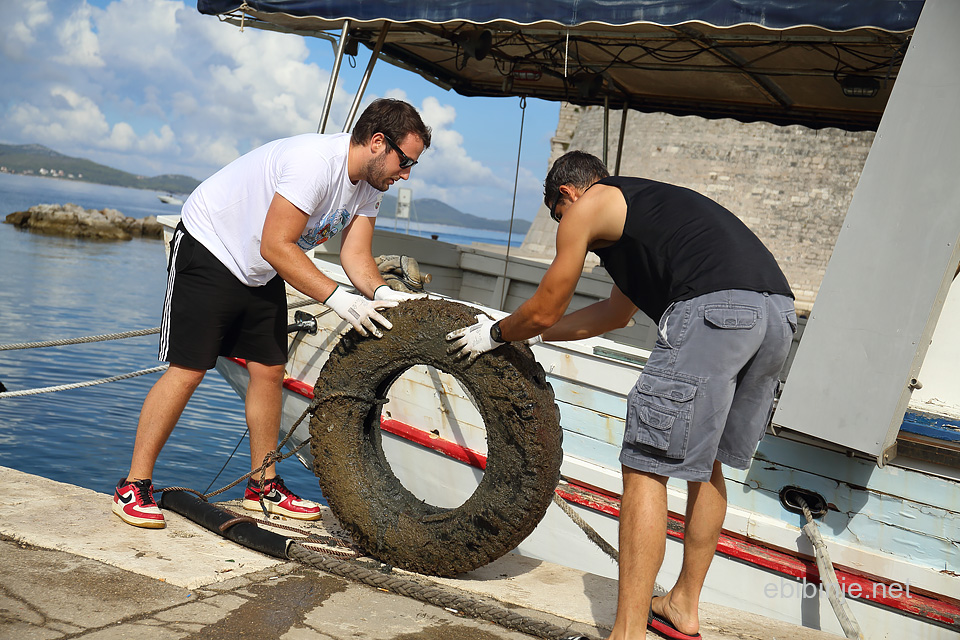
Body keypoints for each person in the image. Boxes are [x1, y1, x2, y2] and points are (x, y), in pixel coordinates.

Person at [447, 151, 796, 640]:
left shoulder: (588, 205)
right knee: (707, 462)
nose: (564, 228)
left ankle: (626, 633)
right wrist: (532, 336)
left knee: (645, 465)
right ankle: (681, 606)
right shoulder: (646, 217)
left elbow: (547, 306)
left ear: (567, 195)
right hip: (776, 316)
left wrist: (499, 333)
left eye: (557, 217)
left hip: (714, 311)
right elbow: (612, 314)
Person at [113, 98, 432, 529]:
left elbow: (356, 254)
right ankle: (133, 486)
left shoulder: (369, 187)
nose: (407, 174)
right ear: (378, 143)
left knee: (268, 369)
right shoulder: (315, 163)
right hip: (211, 246)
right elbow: (276, 245)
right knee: (189, 368)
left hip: (260, 267)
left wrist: (378, 292)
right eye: (406, 160)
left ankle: (262, 486)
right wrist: (339, 300)